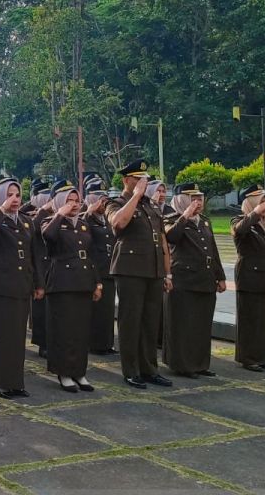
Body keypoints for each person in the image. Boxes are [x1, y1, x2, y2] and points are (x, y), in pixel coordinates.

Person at [106, 160, 174, 389]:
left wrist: (167, 273)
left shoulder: (151, 206)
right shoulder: (116, 202)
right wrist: (135, 196)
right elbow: (118, 224)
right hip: (130, 270)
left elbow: (162, 240)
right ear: (127, 180)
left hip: (153, 269)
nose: (143, 182)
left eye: (145, 179)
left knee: (150, 323)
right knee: (131, 321)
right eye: (138, 178)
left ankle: (149, 369)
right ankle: (131, 370)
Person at [0, 177, 41, 398]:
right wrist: (2, 210)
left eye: (17, 195)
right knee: (0, 336)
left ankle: (17, 382)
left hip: (21, 284)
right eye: (9, 195)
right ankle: (2, 382)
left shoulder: (26, 221)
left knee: (17, 337)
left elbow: (35, 255)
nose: (15, 199)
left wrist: (38, 284)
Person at [41, 180, 103, 393]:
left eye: (77, 200)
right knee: (63, 330)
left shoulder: (84, 224)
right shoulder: (51, 221)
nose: (74, 204)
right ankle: (64, 372)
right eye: (69, 200)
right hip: (62, 283)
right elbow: (48, 237)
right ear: (58, 202)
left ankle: (79, 371)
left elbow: (91, 255)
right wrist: (60, 213)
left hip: (83, 281)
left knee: (81, 330)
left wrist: (97, 282)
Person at [163, 182, 225, 378]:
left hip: (204, 278)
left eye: (200, 198)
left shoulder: (205, 221)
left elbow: (212, 250)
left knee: (202, 324)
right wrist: (185, 215)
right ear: (182, 200)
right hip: (184, 279)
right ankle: (182, 365)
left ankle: (200, 363)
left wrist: (220, 276)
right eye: (193, 199)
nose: (198, 203)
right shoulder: (170, 218)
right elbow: (172, 237)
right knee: (183, 324)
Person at [232, 186, 265, 372]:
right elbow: (240, 231)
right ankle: (247, 358)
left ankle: (263, 357)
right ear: (252, 203)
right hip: (249, 277)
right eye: (261, 201)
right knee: (249, 319)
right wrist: (255, 213)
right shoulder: (240, 220)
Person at [81, 179, 117, 355]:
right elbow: (80, 233)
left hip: (108, 268)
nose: (103, 204)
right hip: (92, 269)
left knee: (107, 310)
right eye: (99, 199)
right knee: (95, 310)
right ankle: (94, 343)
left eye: (105, 199)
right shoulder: (84, 216)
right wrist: (88, 212)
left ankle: (106, 343)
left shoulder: (106, 219)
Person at [27, 178, 53, 358]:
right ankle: (42, 342)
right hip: (37, 262)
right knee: (40, 307)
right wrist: (42, 211)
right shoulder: (26, 211)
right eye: (41, 194)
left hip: (54, 262)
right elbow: (31, 228)